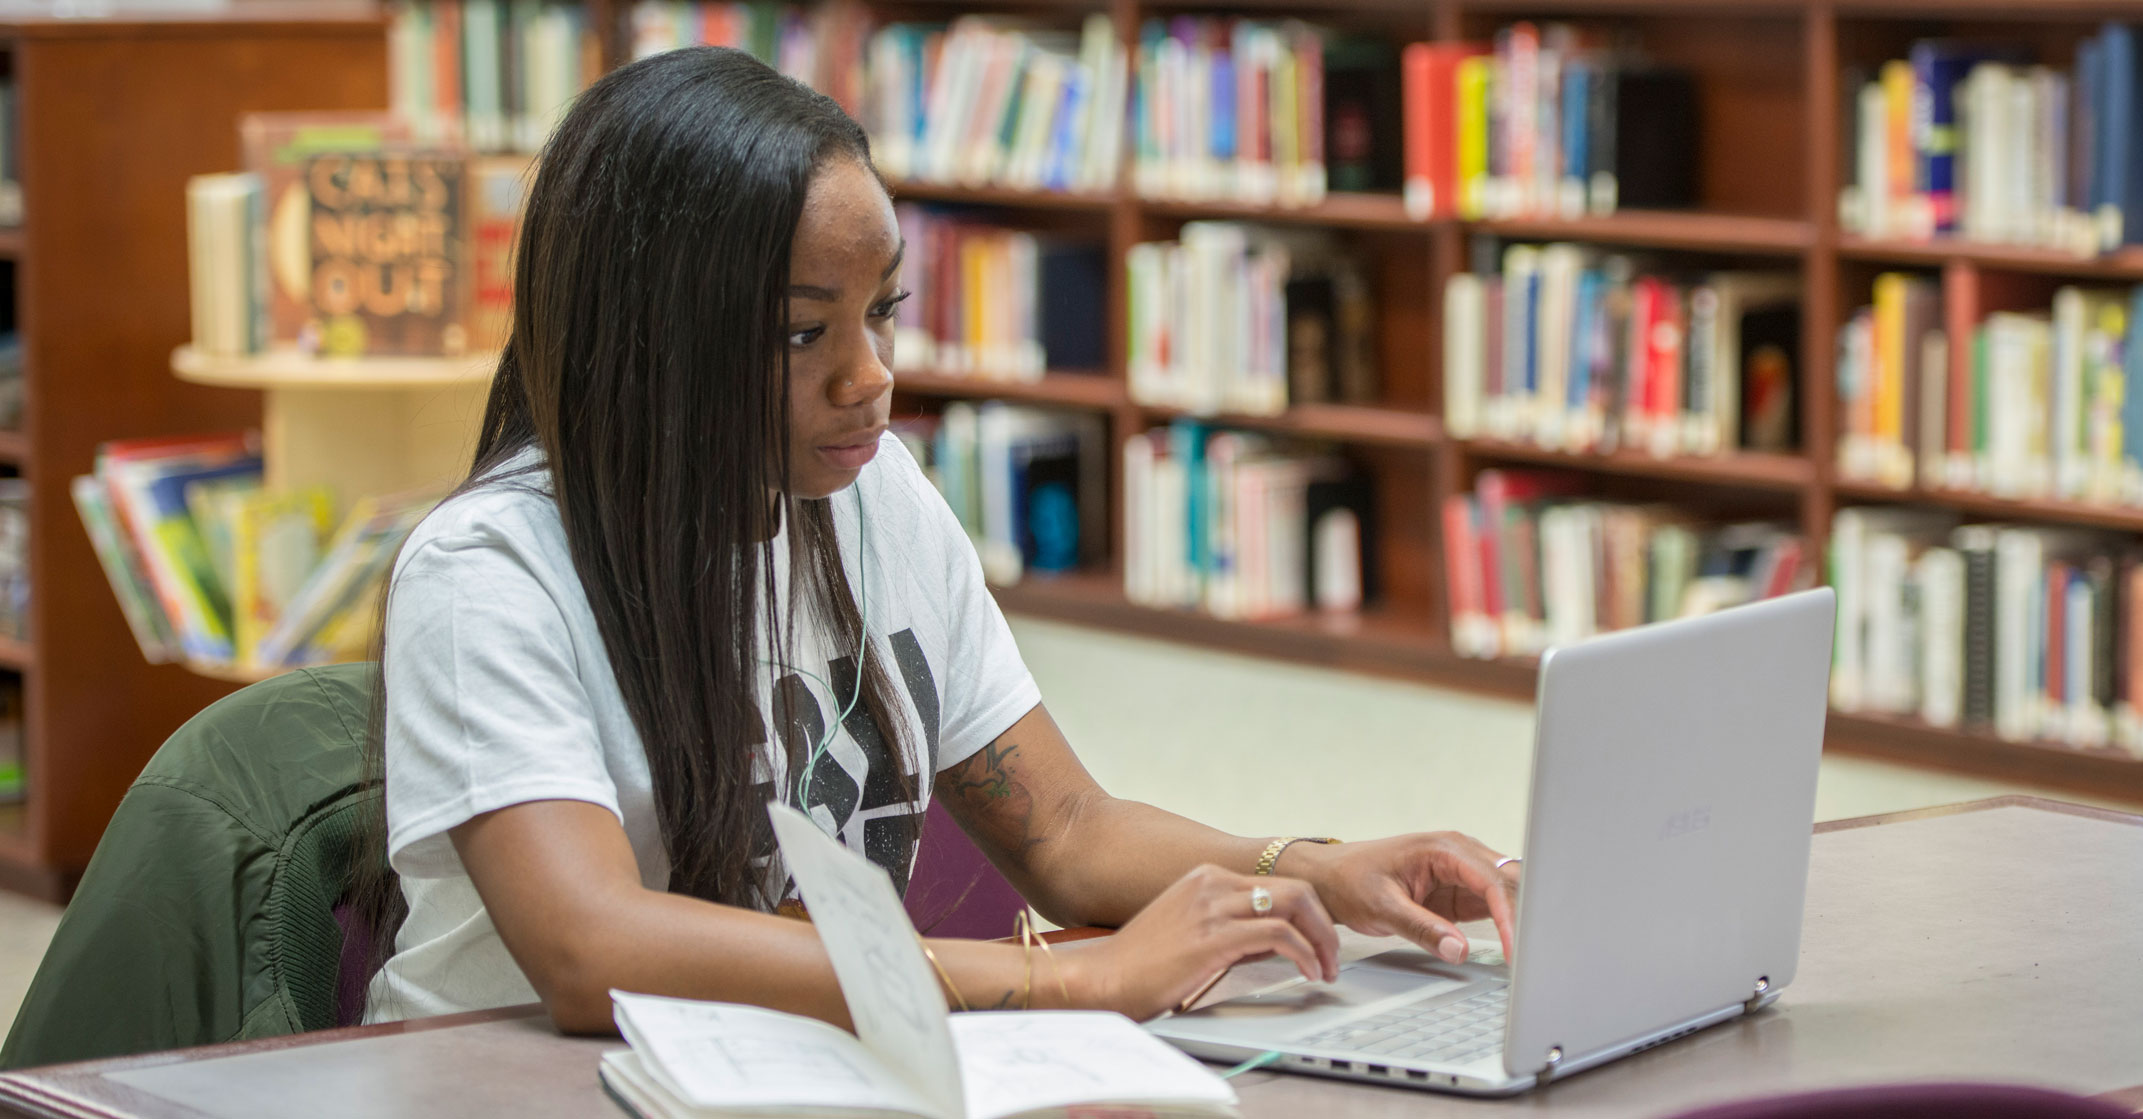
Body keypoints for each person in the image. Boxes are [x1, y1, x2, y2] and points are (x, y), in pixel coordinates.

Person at [355, 47, 1518, 1033]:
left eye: (882, 314)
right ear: (650, 341)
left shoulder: (874, 499)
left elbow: (1065, 828)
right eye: (804, 333)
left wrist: (1316, 869)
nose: (872, 378)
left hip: (782, 1075)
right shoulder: (490, 572)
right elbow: (589, 950)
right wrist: (1063, 979)